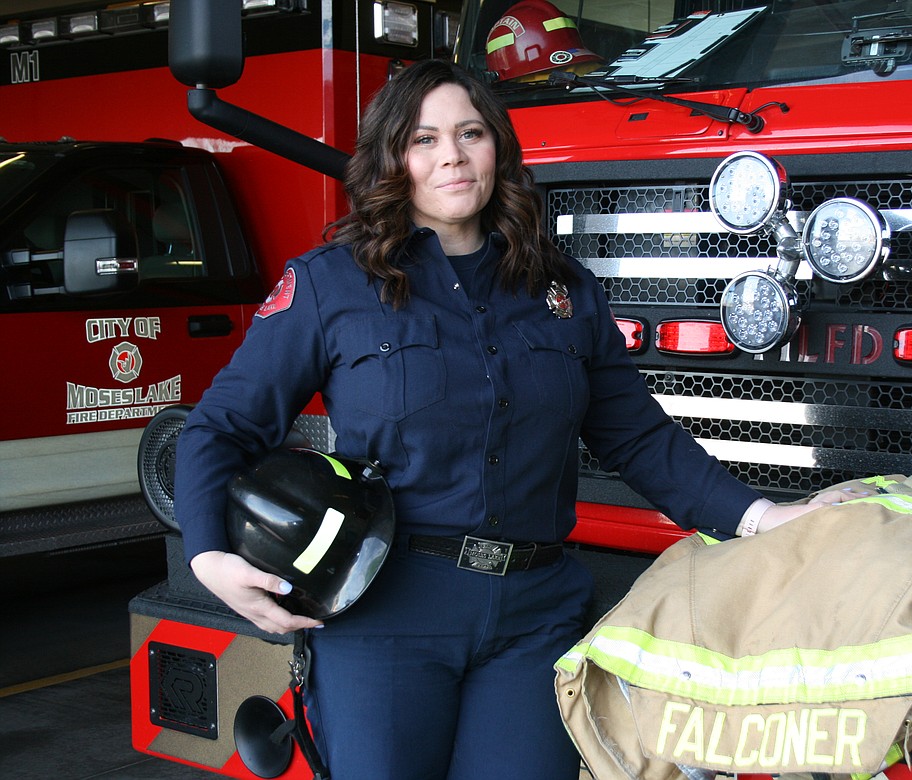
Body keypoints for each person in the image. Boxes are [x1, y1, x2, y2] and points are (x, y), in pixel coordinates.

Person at [173, 59, 866, 780]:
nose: (452, 155)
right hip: (388, 615)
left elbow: (638, 437)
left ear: (497, 147)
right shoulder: (332, 284)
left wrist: (761, 518)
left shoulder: (563, 291)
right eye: (424, 139)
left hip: (534, 622)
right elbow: (220, 428)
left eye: (470, 133)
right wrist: (207, 556)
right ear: (393, 159)